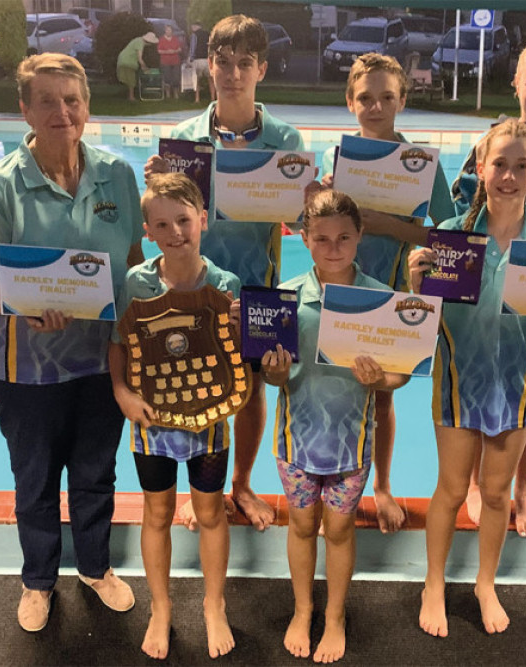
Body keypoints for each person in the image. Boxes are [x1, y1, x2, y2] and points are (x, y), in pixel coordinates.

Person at [0, 53, 144, 633]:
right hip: (25, 368)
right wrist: (27, 303)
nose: (61, 111)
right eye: (47, 100)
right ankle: (38, 580)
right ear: (26, 109)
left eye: (71, 99)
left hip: (101, 360)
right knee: (35, 479)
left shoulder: (118, 175)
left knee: (95, 471)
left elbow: (136, 266)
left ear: (87, 107)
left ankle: (94, 566)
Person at [146, 14, 304, 532]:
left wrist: (308, 198)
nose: (233, 73)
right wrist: (156, 182)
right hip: (195, 284)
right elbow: (166, 214)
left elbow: (299, 219)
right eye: (223, 63)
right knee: (197, 385)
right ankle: (203, 490)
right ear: (209, 66)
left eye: (244, 64)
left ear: (261, 69)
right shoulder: (184, 139)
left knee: (252, 387)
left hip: (258, 283)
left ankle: (240, 483)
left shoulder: (284, 138)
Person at [410, 119, 526, 637]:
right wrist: (417, 285)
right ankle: (433, 581)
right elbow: (420, 322)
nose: (509, 175)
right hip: (457, 381)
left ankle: (484, 582)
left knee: (496, 495)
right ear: (480, 168)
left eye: (522, 166)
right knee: (452, 490)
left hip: (514, 386)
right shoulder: (451, 240)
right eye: (500, 164)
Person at [265, 189, 409, 662]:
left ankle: (335, 616)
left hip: (351, 446)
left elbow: (401, 373)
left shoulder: (380, 299)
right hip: (296, 443)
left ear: (359, 236)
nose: (333, 248)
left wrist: (381, 377)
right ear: (303, 238)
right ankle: (304, 610)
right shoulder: (285, 299)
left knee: (341, 530)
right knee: (303, 525)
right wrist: (275, 372)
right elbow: (272, 377)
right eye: (322, 238)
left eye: (344, 237)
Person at [316, 53, 455, 534]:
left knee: (380, 396)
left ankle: (382, 487)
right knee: (331, 390)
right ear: (350, 101)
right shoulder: (342, 161)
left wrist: (387, 226)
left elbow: (447, 239)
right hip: (336, 296)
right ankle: (325, 480)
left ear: (402, 100)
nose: (376, 107)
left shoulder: (422, 165)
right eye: (366, 98)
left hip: (391, 297)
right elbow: (310, 227)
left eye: (387, 98)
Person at [109, 173, 239, 660]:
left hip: (210, 417)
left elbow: (235, 358)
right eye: (162, 224)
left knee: (209, 511)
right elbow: (119, 343)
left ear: (202, 220)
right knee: (158, 512)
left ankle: (213, 604)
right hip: (152, 419)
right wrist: (121, 391)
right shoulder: (136, 282)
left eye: (184, 220)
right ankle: (160, 607)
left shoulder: (224, 284)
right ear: (147, 230)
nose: (175, 231)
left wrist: (244, 333)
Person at [451, 38, 526, 537]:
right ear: (516, 84)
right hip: (492, 279)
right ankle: (478, 484)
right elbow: (459, 211)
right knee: (480, 378)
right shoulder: (490, 143)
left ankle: (521, 489)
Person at [117, 32, 159, 101]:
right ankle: (131, 97)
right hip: (127, 60)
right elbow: (140, 58)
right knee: (131, 80)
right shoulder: (140, 43)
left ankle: (130, 95)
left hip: (123, 59)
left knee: (129, 79)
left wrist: (143, 67)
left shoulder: (138, 40)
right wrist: (145, 67)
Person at [186, 21, 213, 104]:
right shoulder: (208, 34)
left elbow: (193, 47)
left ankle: (197, 99)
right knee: (211, 79)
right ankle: (213, 98)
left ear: (195, 26)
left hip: (198, 59)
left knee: (197, 80)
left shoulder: (194, 35)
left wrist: (190, 59)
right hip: (207, 59)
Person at [157, 24, 183, 100]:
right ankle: (167, 93)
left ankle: (175, 93)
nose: (169, 31)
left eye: (170, 30)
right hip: (165, 62)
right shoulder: (161, 40)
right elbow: (159, 51)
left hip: (175, 61)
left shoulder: (175, 39)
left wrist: (174, 51)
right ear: (165, 31)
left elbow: (179, 49)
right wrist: (167, 52)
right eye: (167, 30)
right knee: (167, 78)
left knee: (176, 78)